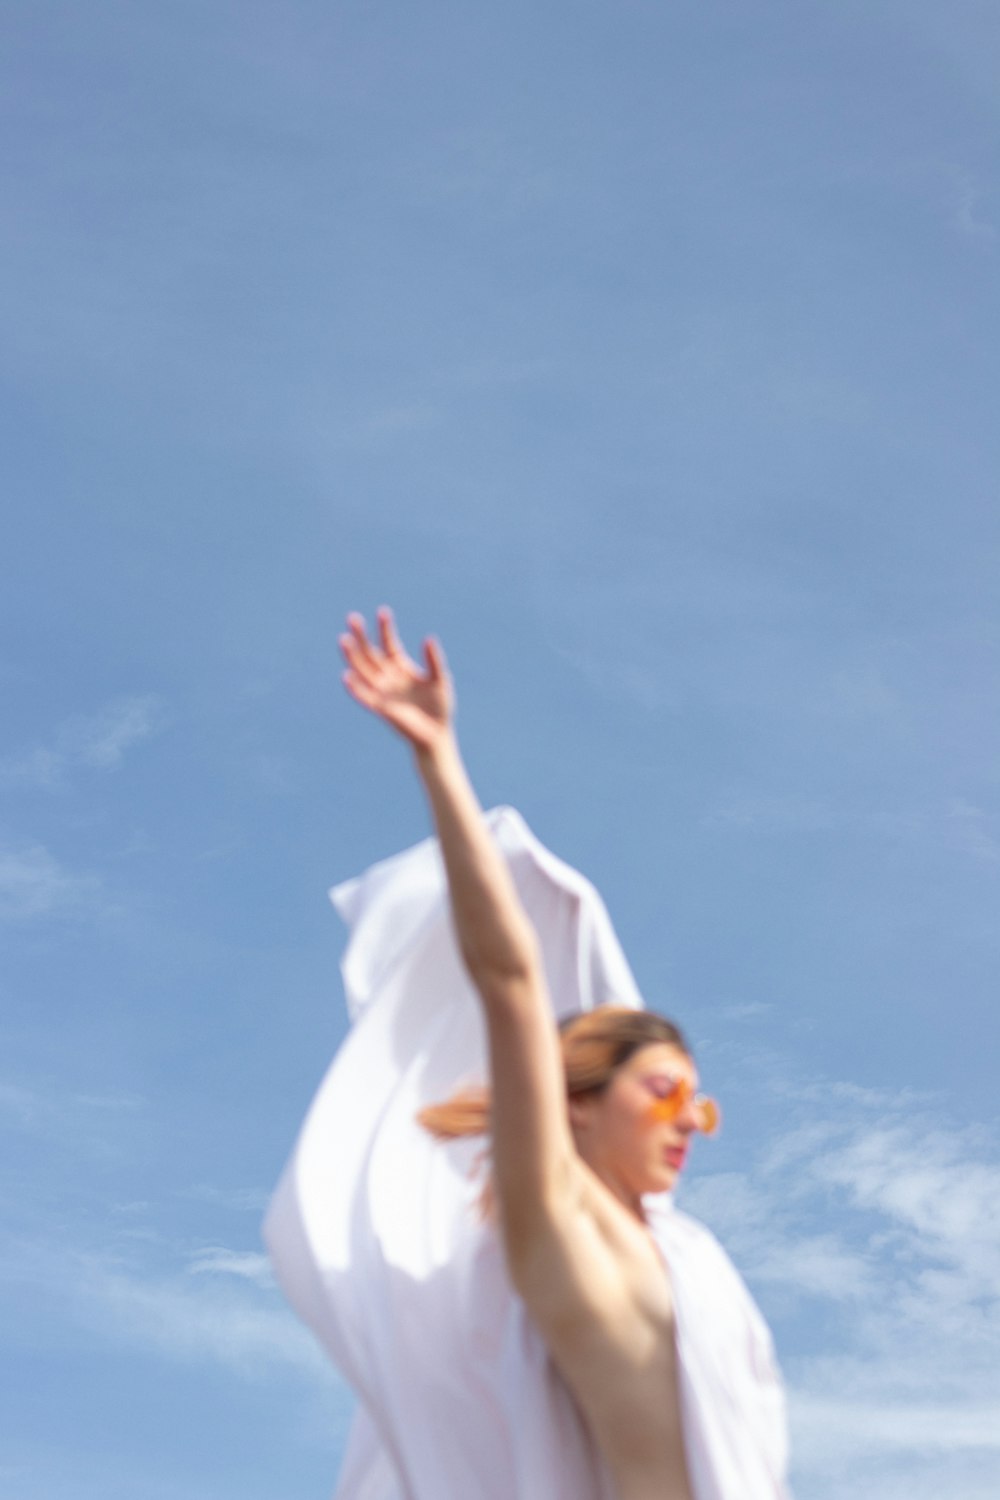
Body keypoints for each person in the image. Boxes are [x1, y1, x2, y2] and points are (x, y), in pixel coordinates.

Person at [264, 608, 791, 1500]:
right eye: (663, 1092)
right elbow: (509, 975)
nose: (690, 1120)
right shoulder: (561, 1228)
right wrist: (438, 758)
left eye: (696, 1100)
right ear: (577, 1102)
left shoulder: (687, 1256)